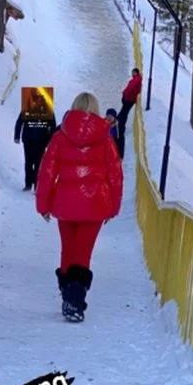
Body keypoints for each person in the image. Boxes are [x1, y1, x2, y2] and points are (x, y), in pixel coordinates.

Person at [36, 92, 123, 322]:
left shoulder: (60, 137)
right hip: (95, 205)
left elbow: (46, 173)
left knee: (68, 249)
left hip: (65, 204)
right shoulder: (105, 139)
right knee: (83, 252)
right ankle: (74, 302)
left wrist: (43, 205)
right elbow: (115, 176)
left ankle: (67, 295)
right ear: (95, 108)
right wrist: (113, 206)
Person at [14, 95, 57, 191]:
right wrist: (17, 135)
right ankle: (29, 184)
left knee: (38, 163)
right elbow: (20, 121)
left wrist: (52, 141)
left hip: (41, 140)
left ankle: (36, 185)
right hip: (29, 140)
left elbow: (53, 126)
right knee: (29, 162)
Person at [117, 68, 142, 134]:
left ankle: (119, 126)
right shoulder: (135, 80)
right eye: (132, 72)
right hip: (129, 98)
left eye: (133, 72)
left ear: (136, 73)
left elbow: (130, 89)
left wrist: (125, 95)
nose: (132, 73)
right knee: (124, 113)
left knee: (123, 113)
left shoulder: (136, 80)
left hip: (129, 99)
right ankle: (119, 125)